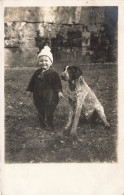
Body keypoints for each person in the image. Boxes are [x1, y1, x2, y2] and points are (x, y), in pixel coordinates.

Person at [27, 46, 63, 130]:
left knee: (49, 111)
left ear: (51, 62)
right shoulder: (37, 72)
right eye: (41, 61)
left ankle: (50, 125)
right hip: (38, 96)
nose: (44, 63)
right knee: (40, 110)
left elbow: (57, 84)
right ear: (38, 62)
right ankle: (42, 124)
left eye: (46, 61)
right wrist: (29, 90)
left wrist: (59, 92)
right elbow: (32, 82)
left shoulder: (53, 73)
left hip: (50, 97)